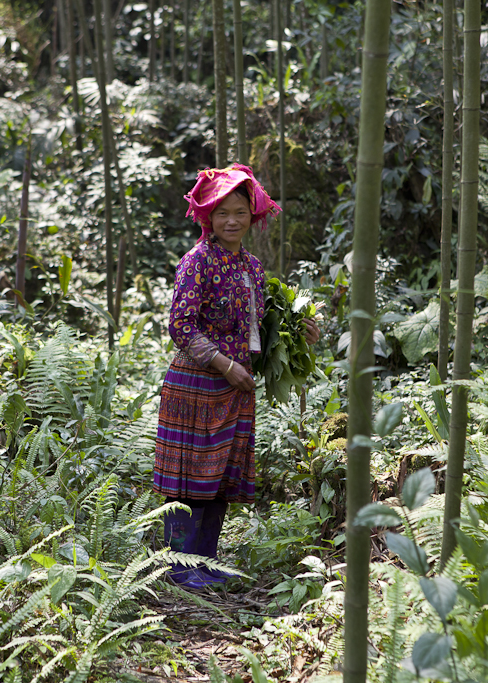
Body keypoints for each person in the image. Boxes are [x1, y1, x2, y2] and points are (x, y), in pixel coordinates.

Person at [153, 164, 320, 589]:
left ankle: (204, 564)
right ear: (207, 215)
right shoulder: (197, 262)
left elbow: (257, 328)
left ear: (253, 216)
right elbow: (182, 327)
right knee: (190, 481)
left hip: (235, 392)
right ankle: (177, 568)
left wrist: (300, 332)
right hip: (197, 387)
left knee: (220, 480)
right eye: (222, 212)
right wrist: (226, 366)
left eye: (240, 212)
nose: (231, 220)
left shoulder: (252, 267)